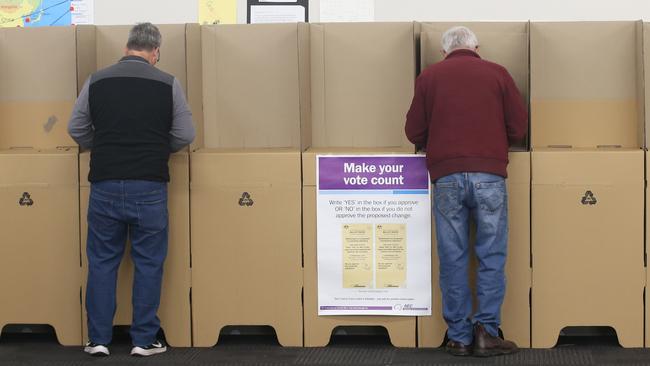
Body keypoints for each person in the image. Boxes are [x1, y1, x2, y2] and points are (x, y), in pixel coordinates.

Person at [68, 22, 195, 357]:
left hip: (105, 182)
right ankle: (143, 340)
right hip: (149, 185)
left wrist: (105, 145)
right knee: (149, 262)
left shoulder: (96, 80)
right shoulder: (168, 82)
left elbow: (75, 127)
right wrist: (155, 147)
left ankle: (97, 339)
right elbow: (185, 133)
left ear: (127, 48)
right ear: (155, 52)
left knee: (101, 261)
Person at [405, 26, 527, 357]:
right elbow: (518, 127)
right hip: (489, 176)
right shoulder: (498, 74)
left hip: (446, 177)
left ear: (445, 52)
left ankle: (458, 336)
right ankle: (487, 333)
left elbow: (413, 130)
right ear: (476, 47)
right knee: (491, 255)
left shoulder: (429, 77)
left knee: (453, 257)